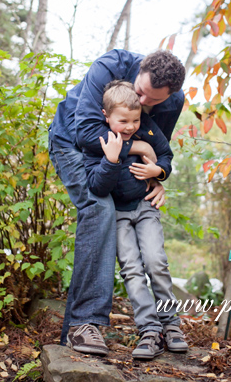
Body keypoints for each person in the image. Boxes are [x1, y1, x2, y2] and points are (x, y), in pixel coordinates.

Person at [48, 49, 185, 355]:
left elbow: (156, 149)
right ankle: (84, 325)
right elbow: (86, 134)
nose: (145, 104)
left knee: (135, 233)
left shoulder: (173, 101)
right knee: (100, 208)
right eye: (140, 93)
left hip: (114, 156)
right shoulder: (108, 67)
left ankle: (160, 325)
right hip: (71, 140)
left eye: (155, 101)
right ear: (138, 71)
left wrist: (155, 177)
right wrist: (138, 145)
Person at [84, 81, 188, 360]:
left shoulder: (149, 130)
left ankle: (172, 325)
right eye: (123, 121)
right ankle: (149, 329)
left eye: (135, 119)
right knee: (131, 268)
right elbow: (97, 187)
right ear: (107, 117)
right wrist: (111, 160)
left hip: (145, 207)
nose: (130, 126)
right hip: (118, 215)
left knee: (156, 262)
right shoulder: (100, 143)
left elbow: (165, 155)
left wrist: (159, 170)